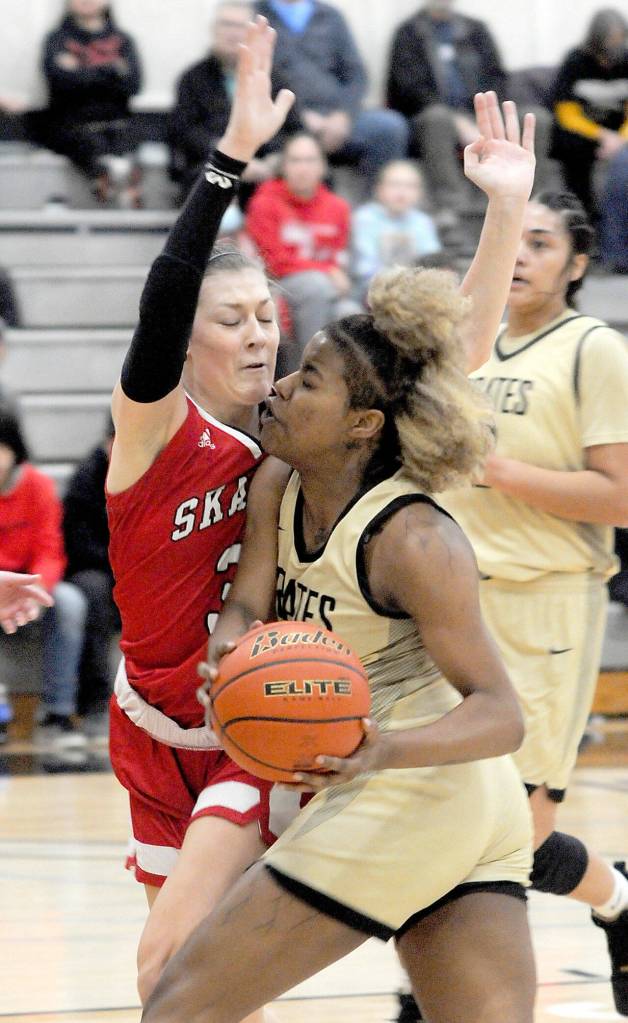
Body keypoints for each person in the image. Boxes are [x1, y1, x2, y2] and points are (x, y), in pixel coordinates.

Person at [141, 89, 539, 1023]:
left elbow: (503, 715)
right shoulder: (282, 478)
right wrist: (228, 651)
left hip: (417, 781)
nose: (281, 382)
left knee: (179, 1007)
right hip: (442, 800)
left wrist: (376, 750)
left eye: (306, 379)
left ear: (363, 423)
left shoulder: (413, 536)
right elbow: (245, 600)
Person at [105, 18, 295, 1019]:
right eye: (234, 319)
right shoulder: (154, 435)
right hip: (145, 729)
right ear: (186, 344)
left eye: (267, 314)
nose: (259, 333)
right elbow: (165, 294)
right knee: (206, 982)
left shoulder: (298, 431)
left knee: (166, 970)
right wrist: (229, 163)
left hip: (251, 723)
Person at [438, 189, 628, 1018]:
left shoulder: (595, 350)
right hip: (452, 607)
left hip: (546, 602)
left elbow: (621, 496)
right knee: (448, 820)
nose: (520, 255)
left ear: (577, 264)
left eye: (541, 242)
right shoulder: (469, 346)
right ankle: (619, 892)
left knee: (513, 833)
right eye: (513, 237)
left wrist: (506, 473)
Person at [0, 401, 87, 751]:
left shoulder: (37, 486)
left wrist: (36, 591)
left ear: (14, 449)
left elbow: (50, 550)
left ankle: (59, 713)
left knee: (70, 602)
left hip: (31, 582)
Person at [255, 0, 409, 187]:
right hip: (285, 121)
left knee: (389, 127)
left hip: (337, 116)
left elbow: (356, 74)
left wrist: (343, 116)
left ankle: (376, 208)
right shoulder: (256, 15)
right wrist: (299, 117)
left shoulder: (330, 16)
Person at [245, 131, 360, 373]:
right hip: (274, 285)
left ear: (322, 167)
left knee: (349, 313)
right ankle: (306, 374)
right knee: (314, 285)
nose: (303, 168)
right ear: (284, 166)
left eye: (310, 160)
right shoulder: (264, 202)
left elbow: (341, 260)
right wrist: (326, 270)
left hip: (323, 291)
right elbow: (274, 262)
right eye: (295, 160)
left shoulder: (338, 207)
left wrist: (332, 273)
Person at [386, 0, 507, 214]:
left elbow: (496, 77)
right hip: (427, 116)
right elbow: (408, 89)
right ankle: (453, 204)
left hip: (478, 110)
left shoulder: (476, 30)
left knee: (534, 118)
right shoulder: (409, 33)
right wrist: (457, 120)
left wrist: (483, 113)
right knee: (438, 118)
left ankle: (524, 199)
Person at [168, 0, 295, 200]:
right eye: (227, 24)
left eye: (241, 26)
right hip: (212, 166)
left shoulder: (274, 78)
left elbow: (295, 129)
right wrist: (230, 155)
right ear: (213, 29)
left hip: (266, 168)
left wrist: (273, 161)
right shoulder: (192, 78)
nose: (233, 32)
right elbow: (184, 131)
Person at [31, 0, 142, 206]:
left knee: (128, 143)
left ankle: (119, 183)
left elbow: (133, 85)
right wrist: (112, 70)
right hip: (72, 128)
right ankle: (108, 178)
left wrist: (80, 71)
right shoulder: (56, 40)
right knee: (88, 142)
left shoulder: (124, 40)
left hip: (118, 125)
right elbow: (59, 84)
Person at [62, 415, 119, 735]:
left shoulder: (155, 473)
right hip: (95, 568)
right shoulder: (87, 477)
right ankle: (94, 703)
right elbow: (77, 542)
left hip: (136, 569)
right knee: (94, 594)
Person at [551, 8, 628, 220]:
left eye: (620, 38)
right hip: (585, 131)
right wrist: (602, 136)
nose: (616, 43)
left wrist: (621, 139)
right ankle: (583, 216)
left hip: (619, 131)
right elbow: (566, 114)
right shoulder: (575, 61)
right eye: (611, 38)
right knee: (571, 147)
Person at [351, 160, 441, 302]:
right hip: (371, 293)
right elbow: (364, 268)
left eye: (410, 186)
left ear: (420, 192)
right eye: (395, 185)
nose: (402, 192)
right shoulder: (364, 218)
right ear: (379, 189)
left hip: (415, 294)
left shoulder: (423, 222)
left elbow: (432, 263)